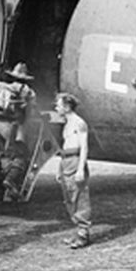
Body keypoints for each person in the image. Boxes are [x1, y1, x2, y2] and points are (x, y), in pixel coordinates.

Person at [0, 62, 37, 199]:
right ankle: (10, 180)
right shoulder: (27, 91)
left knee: (3, 154)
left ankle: (4, 188)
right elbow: (31, 111)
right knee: (22, 156)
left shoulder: (0, 87)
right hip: (13, 127)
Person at [54, 92, 91, 249]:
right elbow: (64, 147)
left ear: (67, 107)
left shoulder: (79, 123)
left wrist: (81, 169)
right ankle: (78, 231)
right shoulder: (67, 123)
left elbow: (84, 147)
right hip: (66, 161)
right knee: (69, 198)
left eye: (59, 105)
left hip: (75, 161)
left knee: (79, 198)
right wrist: (59, 169)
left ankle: (83, 234)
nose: (56, 107)